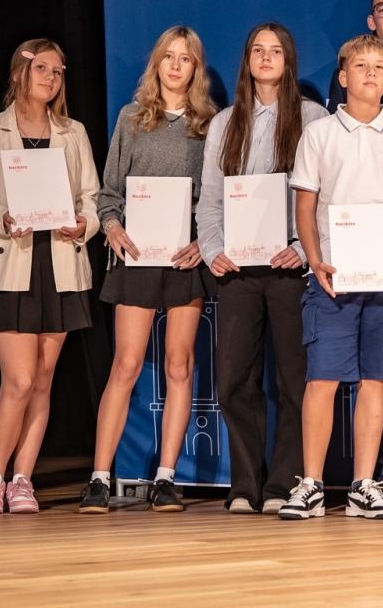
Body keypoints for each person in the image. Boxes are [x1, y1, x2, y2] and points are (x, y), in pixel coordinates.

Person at [281, 34, 383, 520]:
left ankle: (364, 485)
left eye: (379, 66)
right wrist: (314, 258)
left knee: (376, 379)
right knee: (323, 378)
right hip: (331, 277)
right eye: (360, 66)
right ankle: (310, 484)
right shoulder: (320, 134)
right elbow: (305, 207)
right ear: (343, 76)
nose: (371, 73)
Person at [0, 39, 99, 514]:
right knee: (17, 378)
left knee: (43, 380)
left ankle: (24, 480)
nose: (51, 78)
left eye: (58, 71)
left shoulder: (73, 133)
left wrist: (84, 223)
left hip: (58, 265)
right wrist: (2, 217)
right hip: (8, 262)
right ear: (19, 72)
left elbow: (92, 197)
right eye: (41, 69)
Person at [79, 25, 216, 513]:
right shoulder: (132, 118)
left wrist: (205, 241)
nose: (176, 65)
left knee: (180, 365)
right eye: (169, 57)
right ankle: (99, 476)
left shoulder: (211, 125)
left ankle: (165, 478)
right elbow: (109, 191)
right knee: (126, 364)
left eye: (186, 59)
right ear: (156, 64)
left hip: (184, 259)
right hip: (136, 253)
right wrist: (112, 228)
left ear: (196, 69)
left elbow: (214, 200)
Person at [197, 23, 328, 514]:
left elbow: (323, 194)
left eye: (276, 50)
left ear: (289, 59)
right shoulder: (224, 122)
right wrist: (213, 252)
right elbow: (210, 201)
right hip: (237, 271)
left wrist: (302, 245)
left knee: (295, 380)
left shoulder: (313, 118)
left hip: (291, 268)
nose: (267, 57)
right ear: (247, 59)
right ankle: (244, 486)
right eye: (258, 49)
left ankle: (284, 484)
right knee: (234, 379)